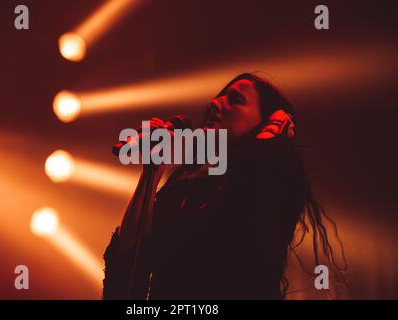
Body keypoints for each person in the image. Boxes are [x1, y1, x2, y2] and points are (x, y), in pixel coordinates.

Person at [102, 73, 345, 299]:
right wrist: (152, 172)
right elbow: (125, 272)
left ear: (265, 123)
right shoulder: (186, 190)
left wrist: (271, 139)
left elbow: (241, 235)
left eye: (235, 100)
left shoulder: (276, 179)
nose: (216, 103)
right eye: (219, 97)